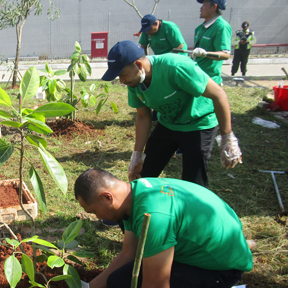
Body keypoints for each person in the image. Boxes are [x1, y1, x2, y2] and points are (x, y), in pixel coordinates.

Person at [75, 168, 253, 288]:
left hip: (221, 270)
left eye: (93, 211)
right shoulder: (136, 193)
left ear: (107, 197)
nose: (97, 217)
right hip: (205, 253)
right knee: (117, 281)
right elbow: (129, 252)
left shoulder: (153, 216)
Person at [101, 41, 242, 188]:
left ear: (139, 65)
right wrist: (137, 155)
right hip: (168, 123)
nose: (121, 81)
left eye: (122, 75)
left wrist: (227, 137)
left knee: (192, 184)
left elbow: (219, 95)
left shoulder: (175, 67)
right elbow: (143, 117)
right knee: (143, 175)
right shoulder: (134, 82)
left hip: (198, 123)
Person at [192, 0, 232, 85]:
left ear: (214, 7)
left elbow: (225, 54)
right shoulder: (200, 28)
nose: (201, 8)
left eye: (204, 5)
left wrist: (205, 54)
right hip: (197, 76)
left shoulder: (221, 27)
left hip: (210, 80)